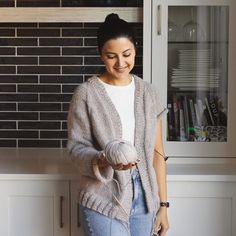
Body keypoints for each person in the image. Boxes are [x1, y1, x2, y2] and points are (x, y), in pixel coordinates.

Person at [67, 13, 169, 236]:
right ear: (100, 54)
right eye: (111, 56)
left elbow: (157, 154)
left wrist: (163, 205)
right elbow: (76, 150)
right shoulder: (86, 94)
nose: (121, 63)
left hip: (145, 199)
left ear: (135, 48)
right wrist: (103, 159)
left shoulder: (149, 93)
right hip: (103, 195)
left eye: (127, 54)